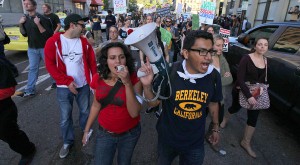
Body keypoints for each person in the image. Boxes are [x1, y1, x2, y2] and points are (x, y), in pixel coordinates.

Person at [139, 30, 222, 164]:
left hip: (195, 143)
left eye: (210, 51)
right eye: (202, 51)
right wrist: (147, 86)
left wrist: (215, 128)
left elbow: (213, 104)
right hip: (167, 140)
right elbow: (153, 104)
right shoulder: (170, 72)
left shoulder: (213, 76)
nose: (208, 57)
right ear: (186, 53)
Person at [44, 13, 97, 158]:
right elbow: (50, 65)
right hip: (63, 88)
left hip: (83, 85)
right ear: (72, 25)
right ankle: (67, 141)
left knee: (85, 112)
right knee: (65, 117)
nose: (84, 28)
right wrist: (66, 82)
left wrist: (94, 82)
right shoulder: (53, 41)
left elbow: (92, 63)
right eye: (82, 25)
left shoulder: (84, 42)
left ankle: (86, 132)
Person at [82, 42, 143, 164]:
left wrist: (127, 83)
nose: (118, 62)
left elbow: (134, 112)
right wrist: (86, 130)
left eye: (121, 57)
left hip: (129, 134)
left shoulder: (134, 78)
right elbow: (96, 105)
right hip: (105, 134)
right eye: (112, 58)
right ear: (106, 61)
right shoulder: (97, 78)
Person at [220, 37, 269, 158]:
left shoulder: (266, 60)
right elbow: (240, 79)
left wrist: (262, 87)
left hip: (256, 93)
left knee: (253, 117)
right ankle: (225, 119)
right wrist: (248, 96)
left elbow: (262, 78)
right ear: (255, 46)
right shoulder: (246, 58)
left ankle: (245, 142)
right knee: (235, 108)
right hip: (241, 90)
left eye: (265, 45)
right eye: (260, 44)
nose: (262, 47)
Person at [0, 58, 36, 165]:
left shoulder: (1, 65)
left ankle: (28, 150)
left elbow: (9, 89)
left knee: (9, 134)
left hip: (3, 111)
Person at [18, 0, 53, 97]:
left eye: (28, 4)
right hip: (32, 48)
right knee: (33, 68)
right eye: (24, 4)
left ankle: (57, 82)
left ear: (34, 6)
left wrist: (38, 24)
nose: (26, 5)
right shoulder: (25, 19)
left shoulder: (42, 18)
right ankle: (30, 90)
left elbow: (47, 35)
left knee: (50, 66)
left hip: (44, 47)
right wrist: (20, 24)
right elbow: (24, 34)